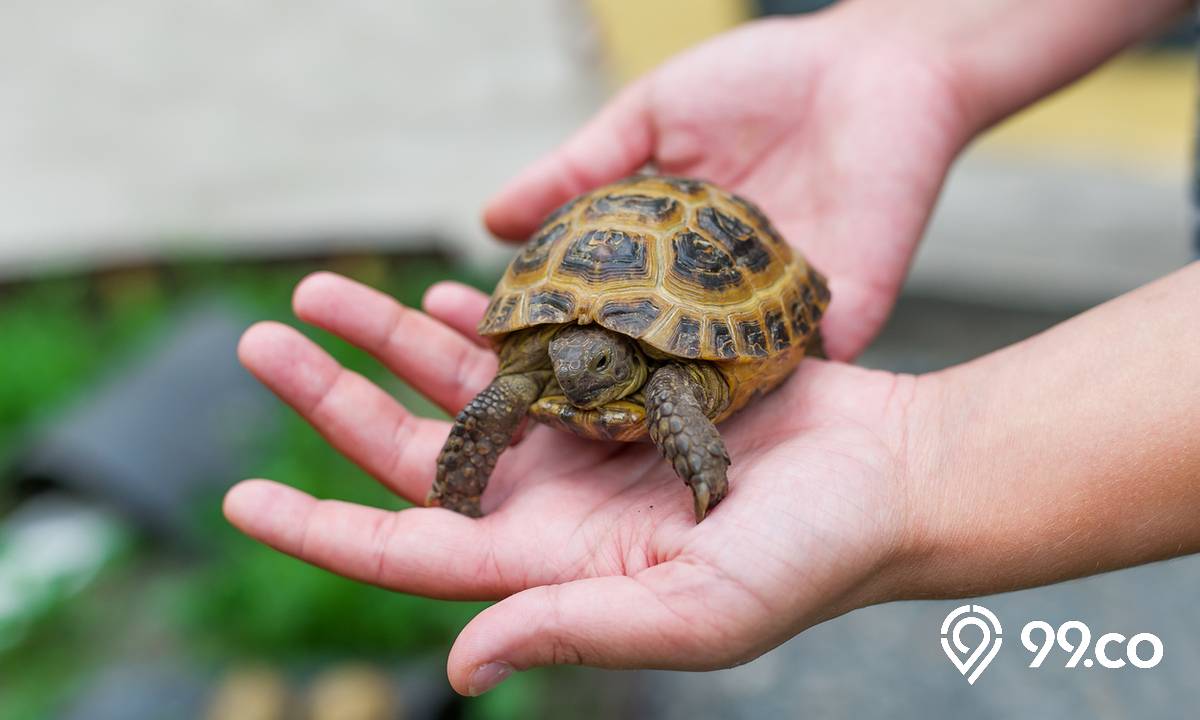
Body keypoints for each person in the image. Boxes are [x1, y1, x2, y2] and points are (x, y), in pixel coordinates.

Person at [223, 0, 1200, 697]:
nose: (571, 372)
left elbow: (672, 401)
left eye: (592, 364)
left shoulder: (674, 376)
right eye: (563, 359)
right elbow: (502, 393)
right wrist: (901, 47)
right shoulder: (551, 358)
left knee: (670, 403)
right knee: (498, 396)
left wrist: (905, 465)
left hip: (709, 275)